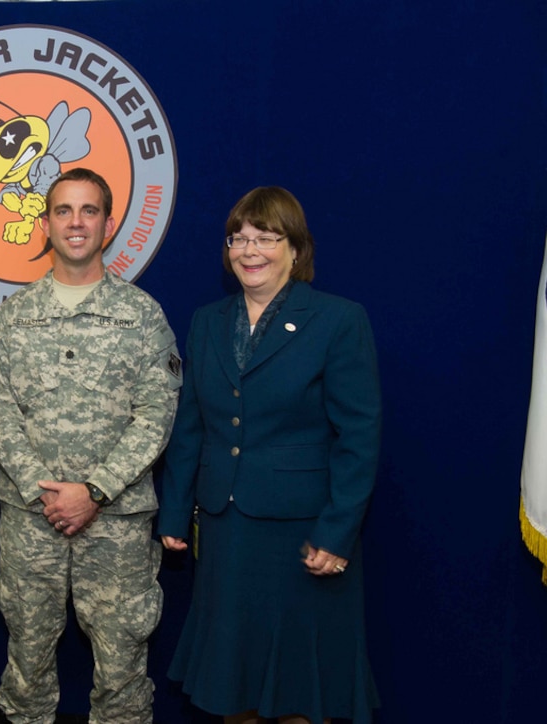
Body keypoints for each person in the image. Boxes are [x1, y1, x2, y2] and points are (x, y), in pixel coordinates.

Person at [158, 187, 382, 724]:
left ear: (295, 250)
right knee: (231, 684)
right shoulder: (208, 321)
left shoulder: (337, 320)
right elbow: (191, 425)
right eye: (239, 238)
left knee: (299, 692)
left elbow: (360, 436)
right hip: (226, 530)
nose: (249, 250)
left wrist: (336, 534)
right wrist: (173, 512)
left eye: (266, 238)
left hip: (304, 536)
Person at [0, 167, 181, 724]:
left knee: (121, 669)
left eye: (88, 211)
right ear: (45, 223)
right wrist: (46, 492)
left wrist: (93, 491)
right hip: (31, 520)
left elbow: (156, 415)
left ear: (109, 224)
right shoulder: (15, 316)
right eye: (63, 211)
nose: (76, 223)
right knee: (26, 657)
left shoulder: (142, 316)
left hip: (115, 523)